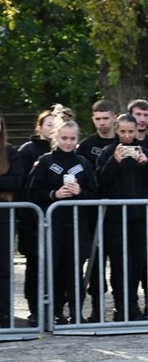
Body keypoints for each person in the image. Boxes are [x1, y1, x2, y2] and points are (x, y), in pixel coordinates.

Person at [27, 119, 98, 325]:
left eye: (72, 138)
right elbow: (32, 192)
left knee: (74, 269)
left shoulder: (83, 163)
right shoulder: (45, 161)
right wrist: (54, 194)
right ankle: (50, 311)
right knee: (51, 268)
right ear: (56, 137)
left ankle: (76, 312)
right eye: (64, 138)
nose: (68, 142)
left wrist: (80, 192)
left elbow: (95, 194)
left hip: (76, 226)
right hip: (52, 225)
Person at [95, 113, 148, 321]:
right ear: (116, 130)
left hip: (140, 218)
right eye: (123, 131)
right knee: (119, 265)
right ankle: (122, 306)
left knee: (137, 264)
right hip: (116, 220)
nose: (126, 136)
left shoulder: (144, 152)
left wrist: (145, 164)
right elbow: (101, 181)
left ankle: (132, 305)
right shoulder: (107, 152)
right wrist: (114, 161)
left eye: (130, 132)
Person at [16, 109, 59, 326]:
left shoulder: (63, 150)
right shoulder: (27, 150)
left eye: (55, 124)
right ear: (39, 127)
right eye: (48, 124)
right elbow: (23, 183)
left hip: (58, 218)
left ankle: (57, 308)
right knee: (34, 264)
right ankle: (35, 308)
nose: (52, 128)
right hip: (32, 218)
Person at [0, 113, 26, 328]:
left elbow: (17, 181)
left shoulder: (10, 152)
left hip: (4, 214)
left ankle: (4, 315)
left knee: (3, 268)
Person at [77, 100, 117, 167]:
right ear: (93, 119)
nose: (102, 123)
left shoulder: (123, 143)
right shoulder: (85, 146)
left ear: (114, 118)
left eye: (105, 118)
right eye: (98, 119)